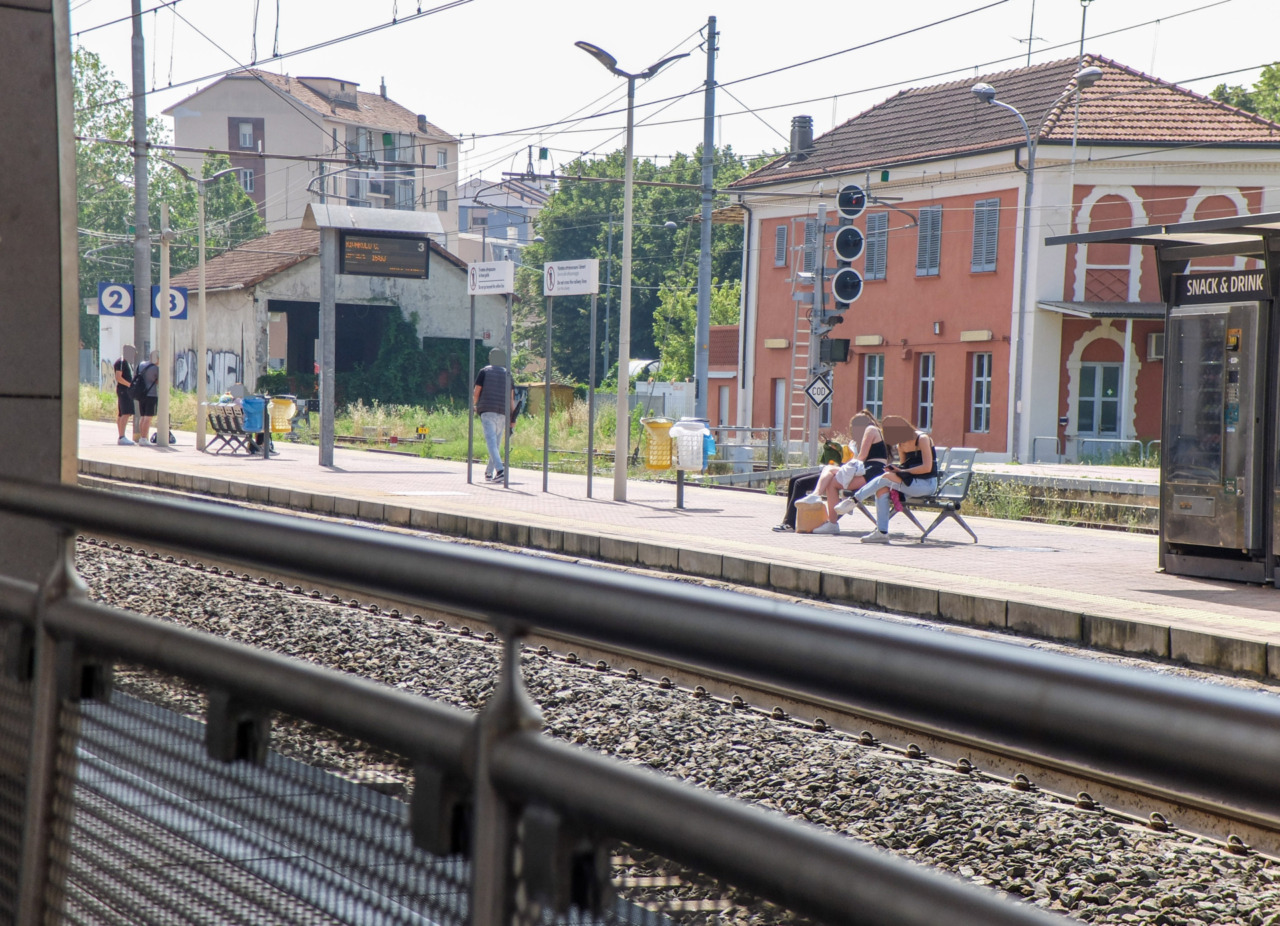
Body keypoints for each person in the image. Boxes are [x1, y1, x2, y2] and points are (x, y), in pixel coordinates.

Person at [772, 411, 887, 533]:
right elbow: (849, 461)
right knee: (795, 479)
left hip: (867, 471)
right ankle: (794, 520)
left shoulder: (871, 430)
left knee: (802, 482)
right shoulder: (856, 441)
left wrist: (847, 463)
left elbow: (860, 459)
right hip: (855, 471)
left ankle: (798, 518)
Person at [851, 415, 938, 544]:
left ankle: (854, 500)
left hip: (927, 484)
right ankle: (882, 532)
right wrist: (896, 470)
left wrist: (902, 471)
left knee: (885, 478)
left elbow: (927, 467)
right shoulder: (901, 446)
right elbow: (904, 468)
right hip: (910, 484)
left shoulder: (922, 439)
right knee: (882, 488)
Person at [473, 348, 515, 482]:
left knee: (491, 442)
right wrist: (512, 417)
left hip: (487, 410)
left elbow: (477, 391)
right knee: (495, 443)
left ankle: (501, 470)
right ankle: (488, 472)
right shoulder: (508, 374)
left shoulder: (484, 371)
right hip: (503, 411)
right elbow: (511, 398)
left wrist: (475, 405)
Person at [134, 351, 160, 446]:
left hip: (142, 395)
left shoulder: (141, 365)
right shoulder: (155, 368)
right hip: (151, 394)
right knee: (148, 418)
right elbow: (158, 381)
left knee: (143, 416)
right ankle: (144, 438)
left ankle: (142, 437)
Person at [113, 346, 137, 445]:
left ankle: (121, 436)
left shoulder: (125, 362)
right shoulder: (121, 362)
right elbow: (118, 377)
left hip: (124, 390)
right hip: (124, 390)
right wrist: (129, 385)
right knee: (125, 413)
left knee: (121, 413)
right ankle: (122, 436)